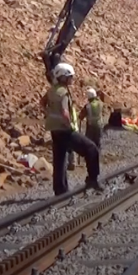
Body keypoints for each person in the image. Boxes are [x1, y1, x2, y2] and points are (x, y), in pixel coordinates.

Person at [40, 62, 103, 195]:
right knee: (91, 148)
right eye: (70, 76)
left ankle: (60, 190)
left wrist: (49, 115)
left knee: (60, 160)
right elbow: (64, 112)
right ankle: (92, 179)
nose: (72, 79)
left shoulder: (52, 90)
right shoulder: (63, 93)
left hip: (55, 130)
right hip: (65, 130)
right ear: (63, 77)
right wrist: (69, 126)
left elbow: (42, 102)